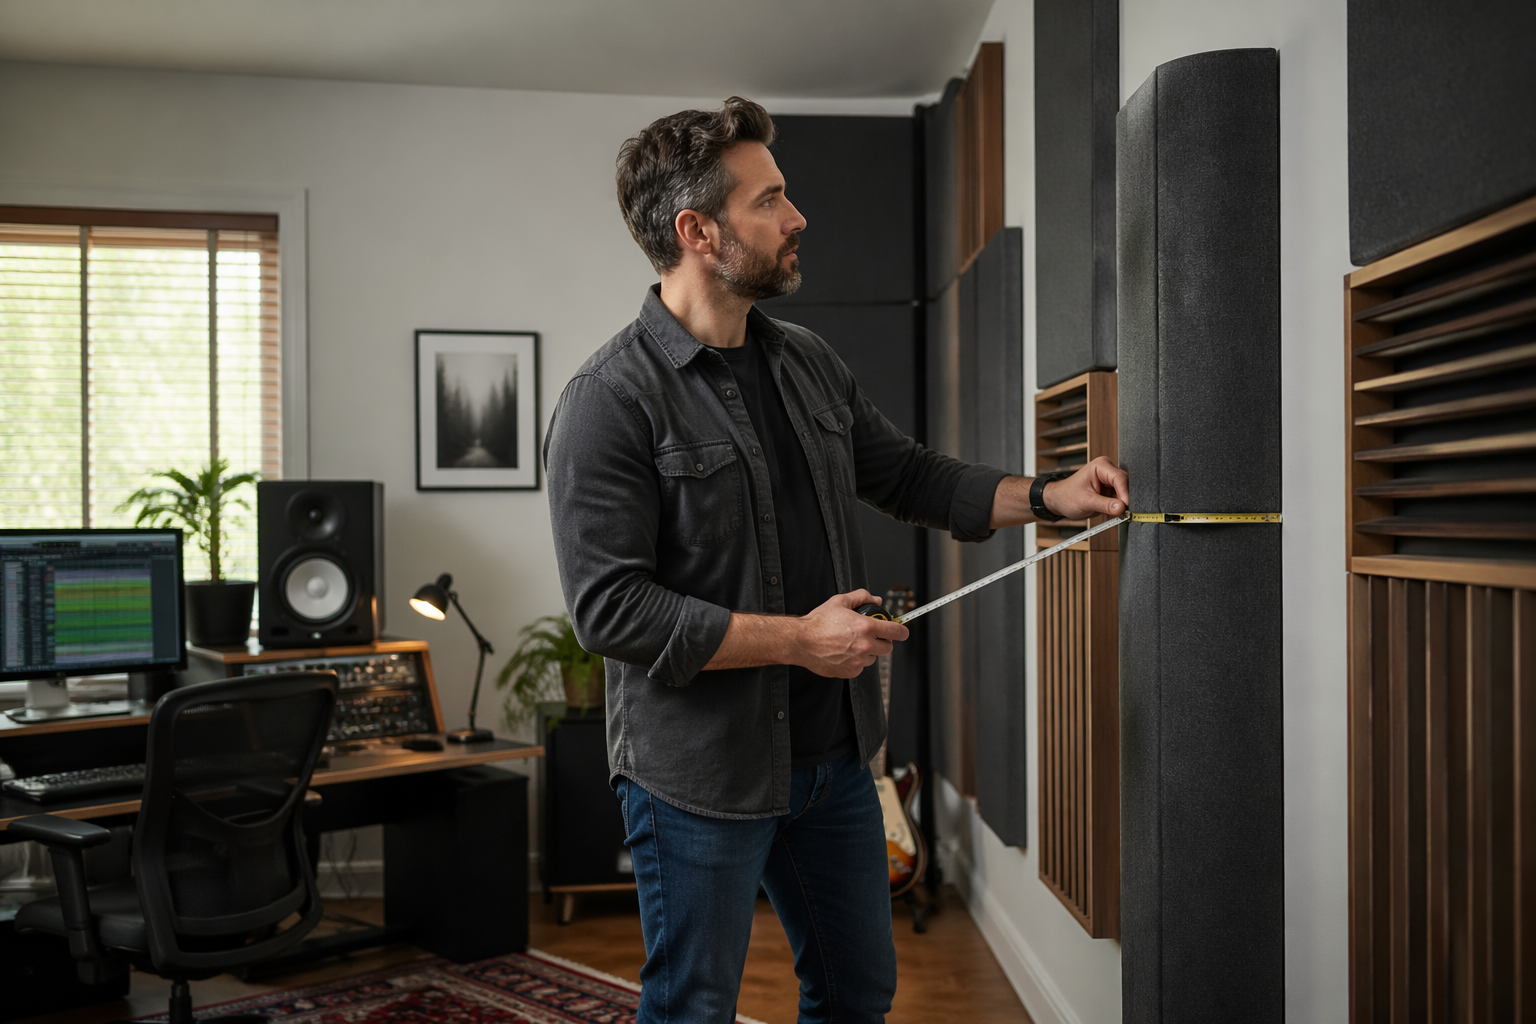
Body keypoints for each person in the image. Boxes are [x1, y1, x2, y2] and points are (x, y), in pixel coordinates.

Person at [544, 97, 1128, 1024]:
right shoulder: (606, 402)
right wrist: (797, 642)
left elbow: (907, 476)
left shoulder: (807, 361)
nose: (798, 215)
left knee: (858, 993)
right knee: (692, 1006)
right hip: (700, 777)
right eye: (770, 199)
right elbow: (612, 611)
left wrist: (1050, 495)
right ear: (697, 230)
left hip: (834, 762)